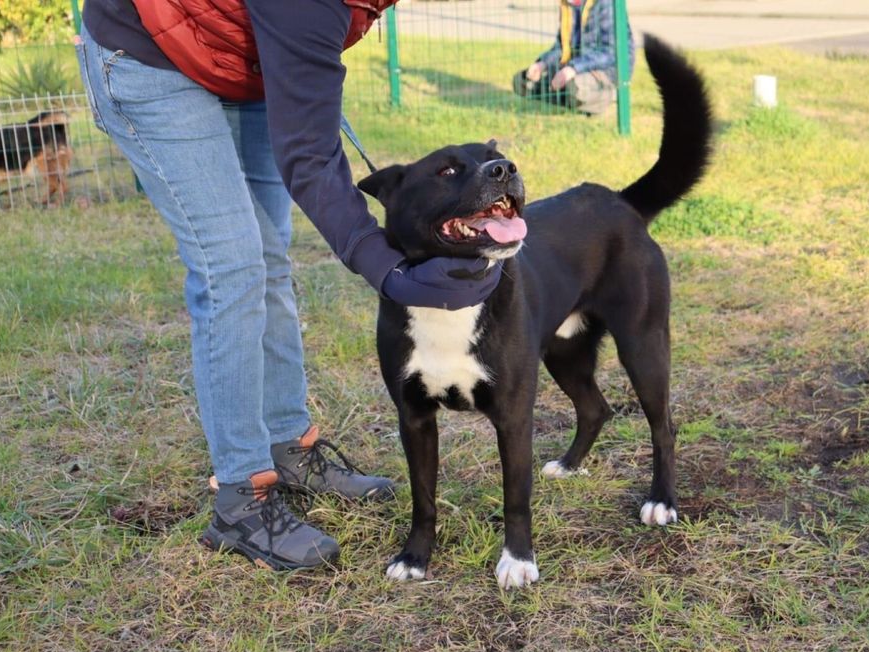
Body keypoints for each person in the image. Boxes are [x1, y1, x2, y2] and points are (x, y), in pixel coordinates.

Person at [75, 0, 503, 572]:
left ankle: (289, 447)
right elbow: (310, 155)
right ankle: (239, 500)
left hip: (240, 56)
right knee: (232, 266)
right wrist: (388, 270)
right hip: (150, 54)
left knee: (270, 259)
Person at [513, 0, 635, 115]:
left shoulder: (606, 3)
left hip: (607, 69)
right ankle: (571, 97)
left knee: (574, 87)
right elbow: (562, 46)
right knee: (522, 81)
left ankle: (610, 94)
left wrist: (573, 68)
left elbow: (610, 52)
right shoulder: (567, 4)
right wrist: (542, 63)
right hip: (576, 66)